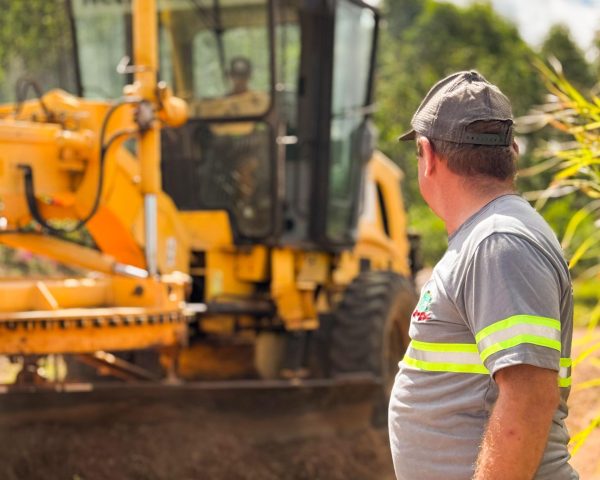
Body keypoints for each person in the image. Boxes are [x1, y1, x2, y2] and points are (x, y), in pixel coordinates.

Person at [388, 70, 578, 480]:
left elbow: (528, 398)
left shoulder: (498, 242)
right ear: (512, 151)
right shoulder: (490, 237)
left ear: (428, 153)